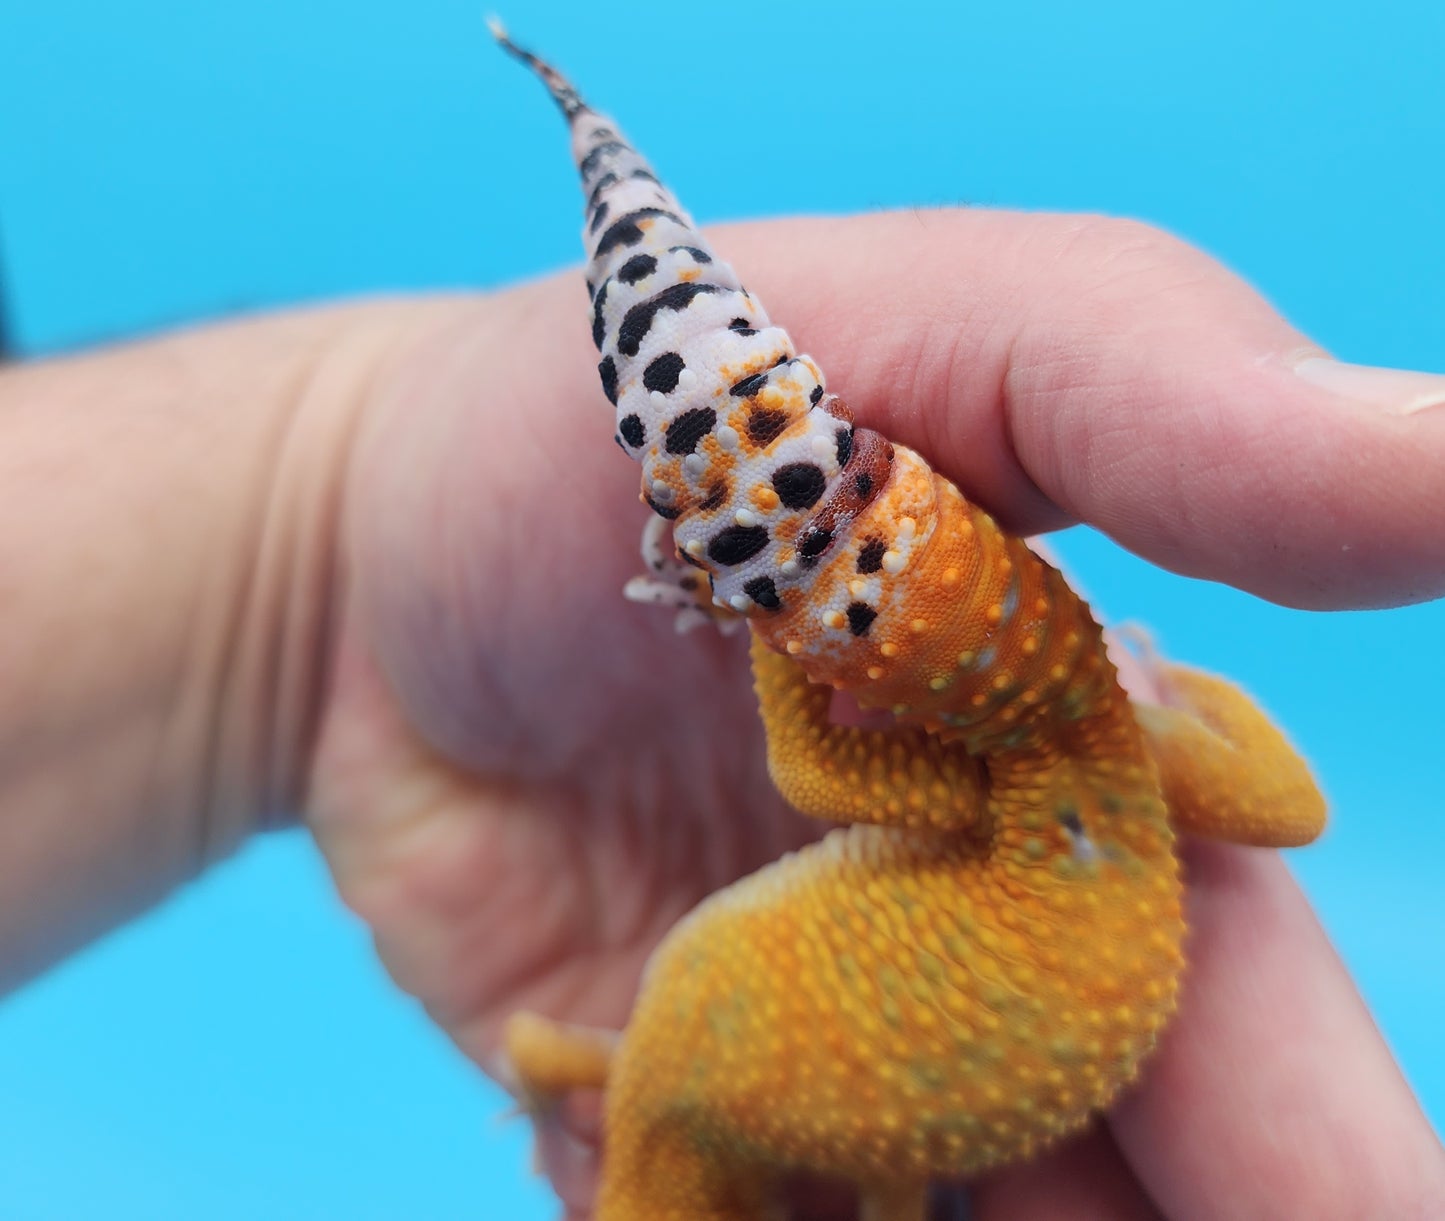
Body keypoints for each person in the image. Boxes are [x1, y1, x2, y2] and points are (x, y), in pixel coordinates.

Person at [0, 209, 1441, 1219]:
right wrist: (1174, 700)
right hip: (796, 1058)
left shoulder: (965, 789)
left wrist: (766, 621)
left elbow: (810, 757)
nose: (844, 508)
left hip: (759, 1060)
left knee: (696, 1106)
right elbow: (1297, 803)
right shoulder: (1115, 768)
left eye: (864, 494)